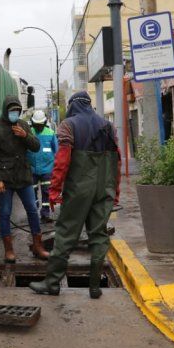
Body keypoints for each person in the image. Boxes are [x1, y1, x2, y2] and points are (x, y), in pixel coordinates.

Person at [29, 91, 120, 299]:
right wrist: (115, 191)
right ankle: (95, 287)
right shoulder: (109, 126)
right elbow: (117, 160)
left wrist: (53, 189)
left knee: (65, 234)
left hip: (79, 189)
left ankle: (52, 284)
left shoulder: (68, 125)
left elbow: (62, 160)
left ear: (73, 106)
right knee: (98, 235)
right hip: (104, 188)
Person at [0, 96, 49, 263]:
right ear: (6, 111)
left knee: (32, 210)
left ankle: (38, 246)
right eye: (12, 110)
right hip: (5, 180)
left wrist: (25, 135)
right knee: (5, 213)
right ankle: (9, 250)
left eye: (17, 111)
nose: (14, 113)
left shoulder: (23, 125)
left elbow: (36, 147)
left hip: (24, 177)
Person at [26, 110, 58, 223]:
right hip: (32, 169)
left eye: (40, 124)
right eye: (37, 124)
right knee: (31, 193)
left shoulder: (50, 133)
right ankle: (33, 214)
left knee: (46, 192)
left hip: (47, 170)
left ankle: (45, 213)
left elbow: (56, 151)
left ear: (44, 123)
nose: (39, 127)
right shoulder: (29, 133)